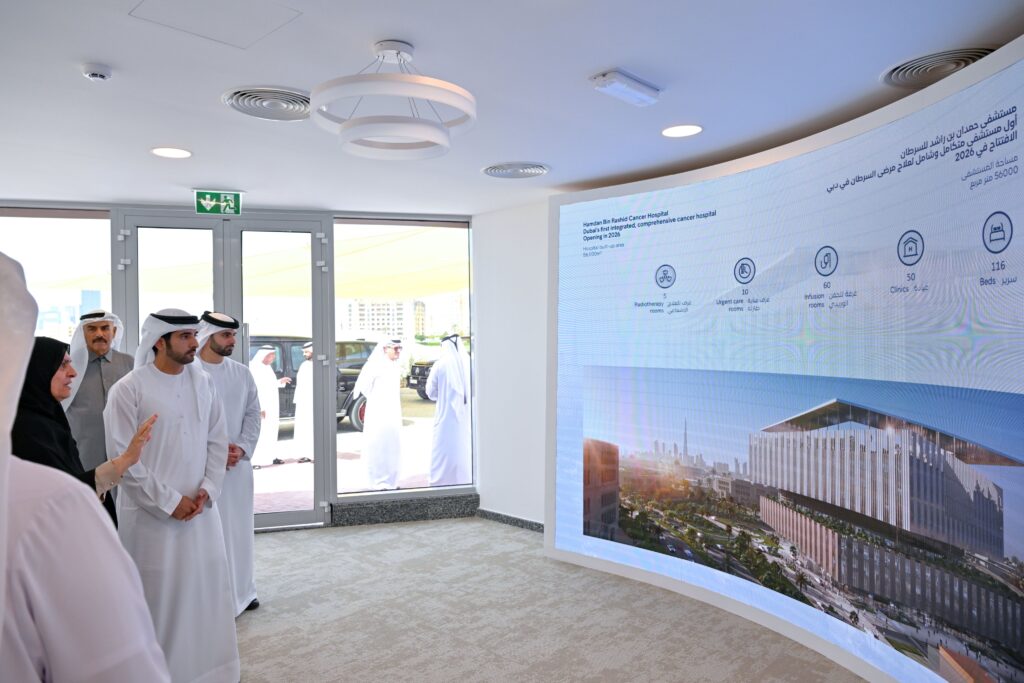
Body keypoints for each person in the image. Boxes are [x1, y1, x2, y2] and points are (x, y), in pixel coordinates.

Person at [1, 251, 171, 682]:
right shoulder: (46, 498)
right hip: (84, 471)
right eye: (92, 330)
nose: (73, 370)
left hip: (90, 470)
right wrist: (114, 466)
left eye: (106, 329)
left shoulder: (128, 369)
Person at [104, 309, 240, 683]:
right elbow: (123, 460)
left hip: (200, 511)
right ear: (159, 341)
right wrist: (169, 501)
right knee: (157, 599)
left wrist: (207, 490)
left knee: (206, 591)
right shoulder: (128, 389)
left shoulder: (203, 383)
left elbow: (217, 440)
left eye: (194, 335)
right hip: (151, 518)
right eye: (184, 337)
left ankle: (212, 671)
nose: (194, 343)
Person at [12, 336, 157, 524]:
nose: (73, 373)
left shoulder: (50, 417)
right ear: (38, 371)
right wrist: (126, 459)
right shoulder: (26, 429)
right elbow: (61, 495)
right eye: (62, 365)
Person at [197, 311, 262, 615]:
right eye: (226, 336)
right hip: (201, 469)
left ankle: (244, 591)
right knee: (209, 533)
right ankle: (213, 597)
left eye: (234, 335)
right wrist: (214, 453)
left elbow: (252, 414)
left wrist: (243, 449)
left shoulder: (242, 373)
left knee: (239, 529)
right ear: (208, 336)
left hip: (237, 467)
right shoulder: (190, 372)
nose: (232, 341)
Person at [63, 309, 134, 474]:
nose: (99, 334)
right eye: (92, 329)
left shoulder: (129, 363)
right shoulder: (69, 366)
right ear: (83, 333)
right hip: (83, 455)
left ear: (114, 331)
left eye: (105, 328)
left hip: (122, 453)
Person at [353, 339, 403, 490]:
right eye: (395, 348)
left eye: (400, 348)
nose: (398, 351)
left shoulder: (395, 366)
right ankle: (377, 481)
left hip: (393, 411)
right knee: (378, 445)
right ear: (385, 349)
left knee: (392, 445)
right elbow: (363, 387)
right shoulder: (374, 365)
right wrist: (377, 399)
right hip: (378, 412)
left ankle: (392, 481)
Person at [426, 334, 471, 486]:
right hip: (467, 419)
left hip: (445, 418)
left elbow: (430, 393)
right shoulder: (470, 363)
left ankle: (441, 482)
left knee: (443, 450)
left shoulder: (440, 364)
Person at [249, 345, 290, 467]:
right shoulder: (255, 368)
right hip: (262, 407)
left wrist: (279, 382)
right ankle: (255, 460)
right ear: (264, 355)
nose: (273, 359)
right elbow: (255, 390)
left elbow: (269, 385)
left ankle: (270, 456)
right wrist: (259, 409)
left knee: (271, 431)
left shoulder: (267, 368)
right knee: (260, 433)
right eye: (272, 356)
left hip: (272, 406)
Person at [292, 341, 314, 462]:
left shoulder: (319, 366)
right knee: (304, 428)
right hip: (303, 402)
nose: (304, 354)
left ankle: (315, 454)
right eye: (304, 352)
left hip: (314, 403)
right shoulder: (304, 365)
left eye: (307, 352)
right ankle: (306, 453)